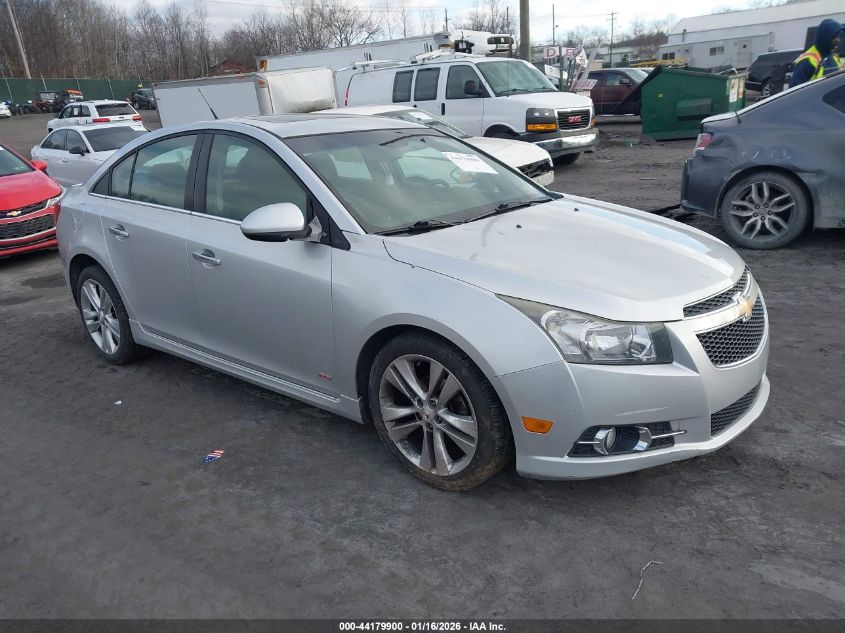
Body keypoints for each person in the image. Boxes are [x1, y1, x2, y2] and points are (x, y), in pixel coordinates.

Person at [789, 18, 844, 87]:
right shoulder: (807, 61)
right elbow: (795, 92)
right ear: (824, 37)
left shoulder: (832, 56)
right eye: (834, 36)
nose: (838, 40)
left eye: (839, 36)